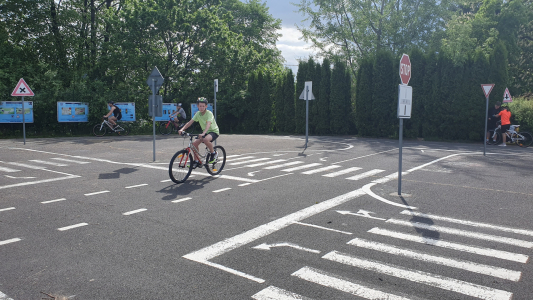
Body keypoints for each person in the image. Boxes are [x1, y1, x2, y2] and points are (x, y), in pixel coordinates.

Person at [179, 97, 219, 167]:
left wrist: (203, 133)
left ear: (206, 106)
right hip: (205, 132)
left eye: (203, 106)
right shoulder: (198, 114)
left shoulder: (209, 113)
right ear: (197, 106)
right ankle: (196, 161)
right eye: (200, 106)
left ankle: (213, 153)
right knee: (194, 144)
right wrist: (182, 129)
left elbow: (208, 124)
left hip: (213, 131)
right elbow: (190, 122)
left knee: (206, 139)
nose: (201, 107)